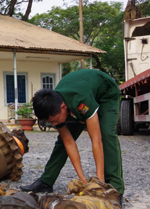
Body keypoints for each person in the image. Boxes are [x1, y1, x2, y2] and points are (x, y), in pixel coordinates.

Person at [20, 69, 124, 200]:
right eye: (51, 122)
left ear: (63, 107)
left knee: (107, 135)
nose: (54, 123)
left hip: (105, 93)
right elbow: (69, 142)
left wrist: (99, 182)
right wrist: (83, 180)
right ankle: (46, 181)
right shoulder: (53, 108)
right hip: (78, 100)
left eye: (55, 120)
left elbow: (96, 140)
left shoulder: (81, 101)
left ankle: (115, 188)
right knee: (61, 143)